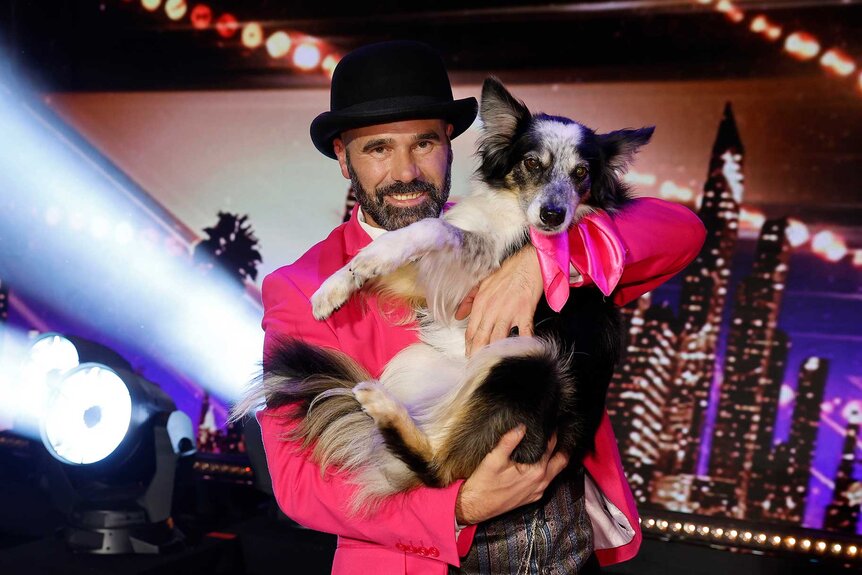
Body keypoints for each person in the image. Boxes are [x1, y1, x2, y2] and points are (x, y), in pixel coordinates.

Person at [255, 40, 706, 574]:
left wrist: (540, 264)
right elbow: (298, 485)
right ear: (343, 157)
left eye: (423, 143)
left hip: (559, 539)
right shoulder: (299, 285)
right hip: (415, 553)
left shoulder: (514, 214)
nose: (404, 171)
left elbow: (681, 229)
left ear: (451, 142)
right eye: (378, 148)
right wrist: (461, 507)